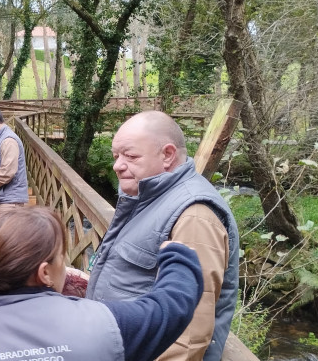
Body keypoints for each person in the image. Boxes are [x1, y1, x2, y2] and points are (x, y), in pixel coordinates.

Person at [0, 207, 204, 361]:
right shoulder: (106, 326)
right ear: (45, 273)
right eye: (62, 256)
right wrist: (178, 255)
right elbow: (172, 306)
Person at [86, 111, 241, 361]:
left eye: (130, 156)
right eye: (116, 156)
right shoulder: (147, 197)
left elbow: (189, 337)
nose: (117, 165)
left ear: (167, 155)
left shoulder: (195, 215)